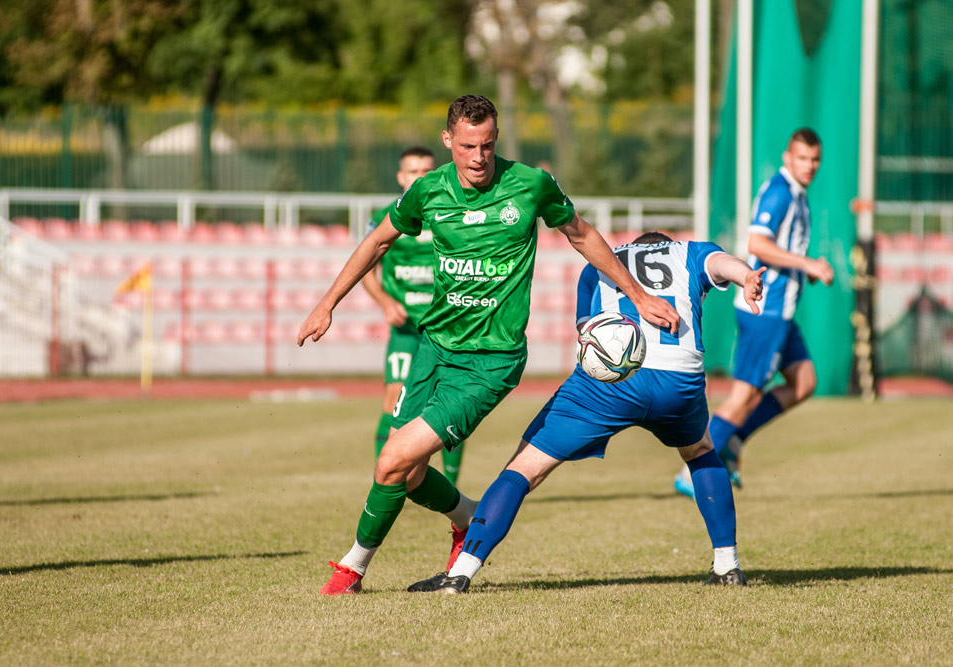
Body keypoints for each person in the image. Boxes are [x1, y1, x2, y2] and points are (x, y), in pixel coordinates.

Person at [297, 94, 680, 595]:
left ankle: (351, 570)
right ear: (448, 141)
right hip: (433, 348)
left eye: (489, 145)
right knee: (408, 477)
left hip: (491, 361)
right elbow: (377, 241)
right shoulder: (429, 191)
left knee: (390, 460)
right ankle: (468, 517)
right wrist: (328, 302)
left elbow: (581, 234)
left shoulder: (530, 185)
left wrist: (638, 295)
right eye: (469, 146)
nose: (480, 157)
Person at [406, 231, 766, 594]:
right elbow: (723, 265)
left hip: (609, 386)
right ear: (664, 242)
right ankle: (727, 566)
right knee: (701, 451)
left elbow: (587, 336)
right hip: (679, 381)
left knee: (524, 469)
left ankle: (460, 574)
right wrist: (747, 276)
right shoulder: (691, 251)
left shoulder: (600, 263)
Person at [673, 127, 834, 499]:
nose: (810, 166)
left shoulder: (797, 194)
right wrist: (807, 264)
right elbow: (757, 244)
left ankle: (732, 443)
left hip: (783, 310)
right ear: (787, 158)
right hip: (765, 310)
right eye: (803, 158)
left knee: (804, 381)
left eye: (815, 160)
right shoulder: (780, 192)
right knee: (744, 394)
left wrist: (801, 271)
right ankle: (689, 470)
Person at [360, 146, 467, 485]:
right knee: (393, 397)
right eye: (413, 172)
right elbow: (365, 266)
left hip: (448, 327)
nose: (420, 177)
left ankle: (449, 483)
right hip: (406, 329)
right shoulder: (384, 217)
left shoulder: (451, 213)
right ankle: (385, 479)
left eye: (426, 171)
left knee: (452, 406)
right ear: (400, 177)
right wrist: (385, 302)